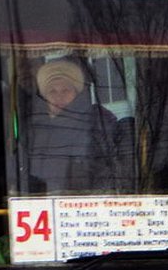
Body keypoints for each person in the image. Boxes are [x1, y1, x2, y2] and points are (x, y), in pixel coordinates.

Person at [21, 59, 131, 193]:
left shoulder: (99, 123)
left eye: (65, 90)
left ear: (77, 93)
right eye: (52, 91)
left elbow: (110, 173)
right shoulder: (34, 130)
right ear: (45, 97)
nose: (59, 97)